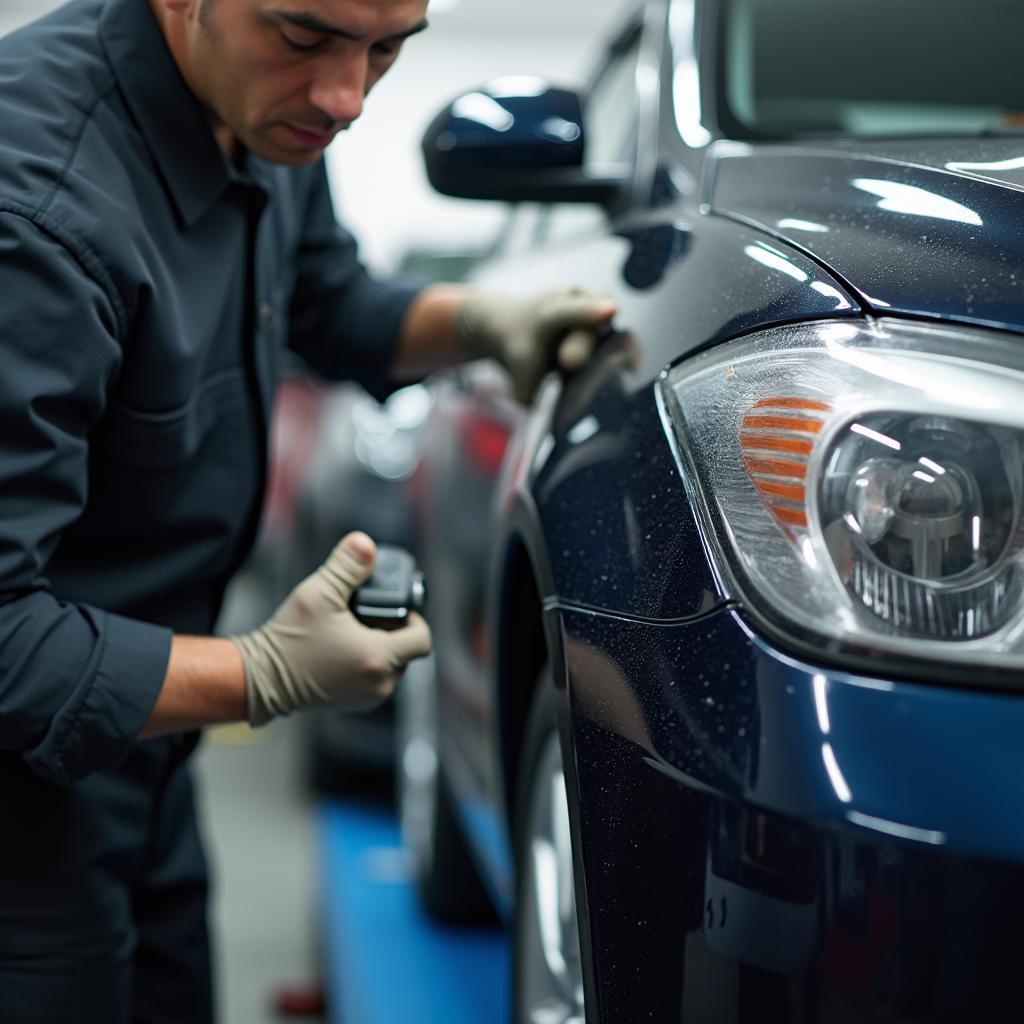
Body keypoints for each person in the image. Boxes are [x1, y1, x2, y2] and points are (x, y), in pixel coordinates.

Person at [0, 0, 616, 1020]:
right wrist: (261, 674)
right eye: (304, 36)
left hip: (139, 764)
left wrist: (478, 322)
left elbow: (327, 299)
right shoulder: (35, 214)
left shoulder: (265, 112)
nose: (347, 98)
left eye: (387, 50)